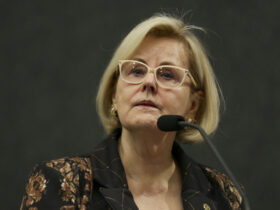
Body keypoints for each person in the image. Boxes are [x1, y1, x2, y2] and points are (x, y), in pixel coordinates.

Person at [20, 14, 243, 210]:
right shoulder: (62, 183)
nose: (149, 82)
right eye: (136, 70)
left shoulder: (223, 194)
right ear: (114, 96)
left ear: (193, 105)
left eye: (167, 75)